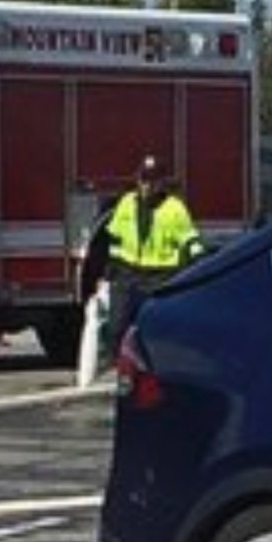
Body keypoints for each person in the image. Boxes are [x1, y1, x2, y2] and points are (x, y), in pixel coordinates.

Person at [86, 155, 203, 376]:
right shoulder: (127, 204)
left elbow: (191, 243)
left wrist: (196, 270)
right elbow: (114, 241)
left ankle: (158, 369)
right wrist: (107, 274)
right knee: (116, 325)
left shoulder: (175, 209)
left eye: (152, 181)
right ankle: (116, 369)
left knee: (156, 327)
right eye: (143, 180)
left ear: (162, 183)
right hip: (127, 273)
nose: (147, 185)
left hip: (160, 276)